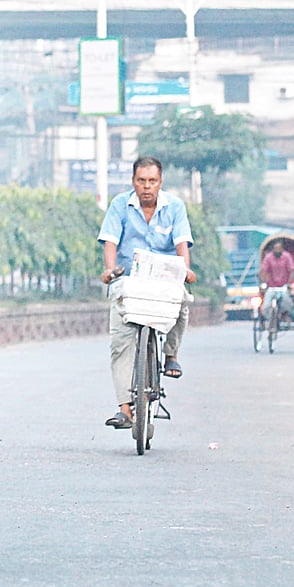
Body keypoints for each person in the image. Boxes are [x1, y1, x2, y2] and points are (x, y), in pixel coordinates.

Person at [98, 156, 196, 429]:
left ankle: (171, 355)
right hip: (129, 278)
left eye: (152, 181)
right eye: (141, 181)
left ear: (160, 183)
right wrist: (109, 270)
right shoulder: (120, 205)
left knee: (182, 300)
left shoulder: (175, 207)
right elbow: (110, 241)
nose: (147, 187)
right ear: (133, 182)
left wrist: (186, 270)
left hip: (164, 277)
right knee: (120, 343)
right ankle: (125, 409)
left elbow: (181, 244)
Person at [259, 240, 294, 319]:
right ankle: (269, 319)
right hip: (271, 286)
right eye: (275, 249)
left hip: (283, 286)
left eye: (279, 249)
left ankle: (285, 314)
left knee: (287, 302)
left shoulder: (287, 257)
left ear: (282, 249)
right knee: (266, 305)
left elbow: (292, 270)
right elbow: (263, 271)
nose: (277, 251)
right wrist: (264, 282)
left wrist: (289, 283)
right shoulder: (268, 257)